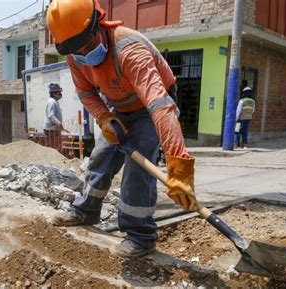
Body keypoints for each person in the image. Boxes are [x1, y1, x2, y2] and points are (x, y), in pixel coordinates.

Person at [46, 0, 196, 258]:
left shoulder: (130, 49)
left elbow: (160, 106)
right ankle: (86, 210)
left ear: (99, 25)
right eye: (74, 49)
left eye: (87, 44)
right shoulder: (76, 56)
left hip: (150, 108)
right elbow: (86, 93)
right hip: (118, 107)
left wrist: (179, 166)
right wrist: (104, 118)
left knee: (138, 167)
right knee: (101, 156)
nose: (83, 52)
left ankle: (141, 235)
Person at [43, 83, 64, 151]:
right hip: (51, 130)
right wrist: (58, 123)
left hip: (53, 129)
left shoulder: (54, 102)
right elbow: (51, 115)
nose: (60, 94)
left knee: (55, 147)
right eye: (59, 92)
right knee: (53, 148)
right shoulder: (52, 102)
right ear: (54, 93)